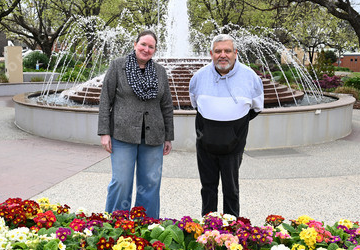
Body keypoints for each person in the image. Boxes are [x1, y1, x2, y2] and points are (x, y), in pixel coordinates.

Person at [98, 30, 174, 219]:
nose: (146, 49)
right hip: (122, 135)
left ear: (155, 50)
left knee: (150, 184)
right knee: (121, 182)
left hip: (153, 137)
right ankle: (115, 224)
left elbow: (166, 105)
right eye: (143, 44)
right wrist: (104, 132)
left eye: (151, 47)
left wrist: (168, 137)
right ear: (135, 44)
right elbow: (105, 99)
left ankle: (146, 225)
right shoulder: (118, 66)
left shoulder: (160, 71)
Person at [189, 34, 263, 217]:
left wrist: (232, 126)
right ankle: (208, 227)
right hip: (205, 142)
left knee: (231, 189)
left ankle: (232, 229)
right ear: (211, 54)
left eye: (227, 51)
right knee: (207, 188)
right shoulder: (198, 77)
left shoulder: (250, 77)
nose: (223, 55)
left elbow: (256, 107)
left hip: (234, 144)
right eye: (218, 51)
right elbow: (196, 104)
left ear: (235, 53)